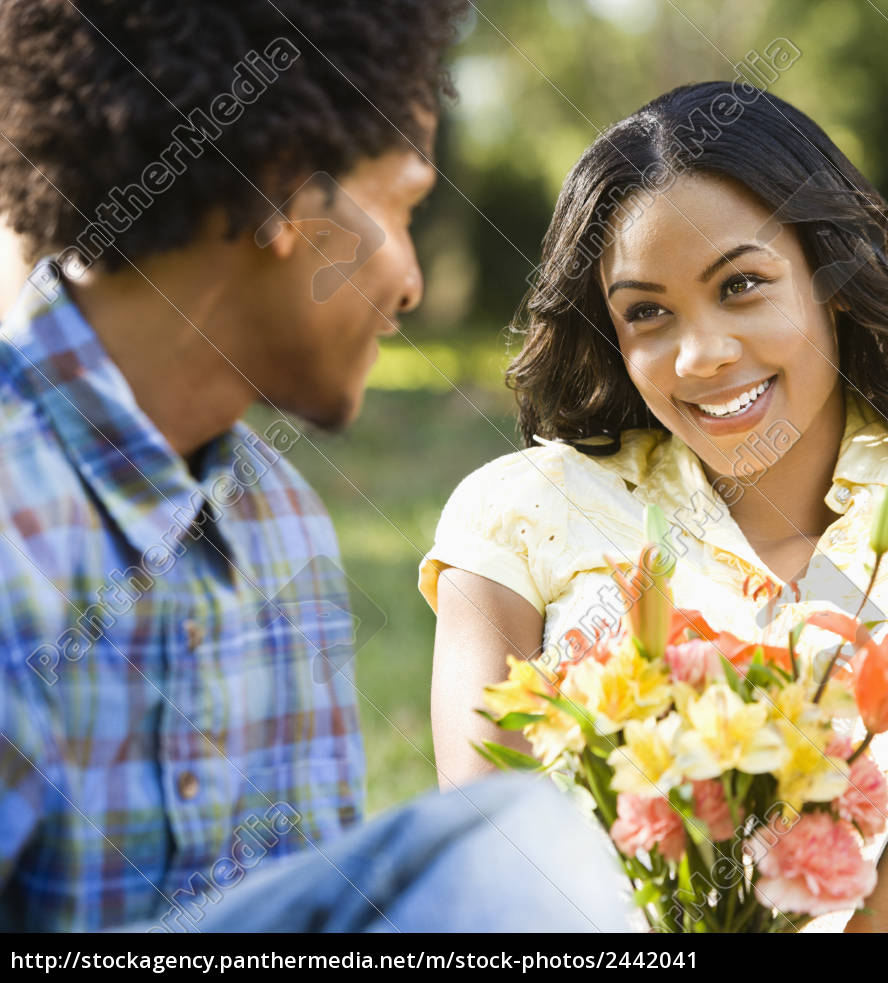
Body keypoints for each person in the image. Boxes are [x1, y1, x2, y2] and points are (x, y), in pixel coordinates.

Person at [0, 0, 632, 933]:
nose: (412, 281)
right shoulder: (19, 525)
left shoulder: (278, 519)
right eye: (403, 206)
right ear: (286, 194)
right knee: (516, 868)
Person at [419, 80, 888, 933]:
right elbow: (493, 888)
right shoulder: (518, 515)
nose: (701, 354)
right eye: (647, 311)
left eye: (742, 286)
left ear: (833, 278)